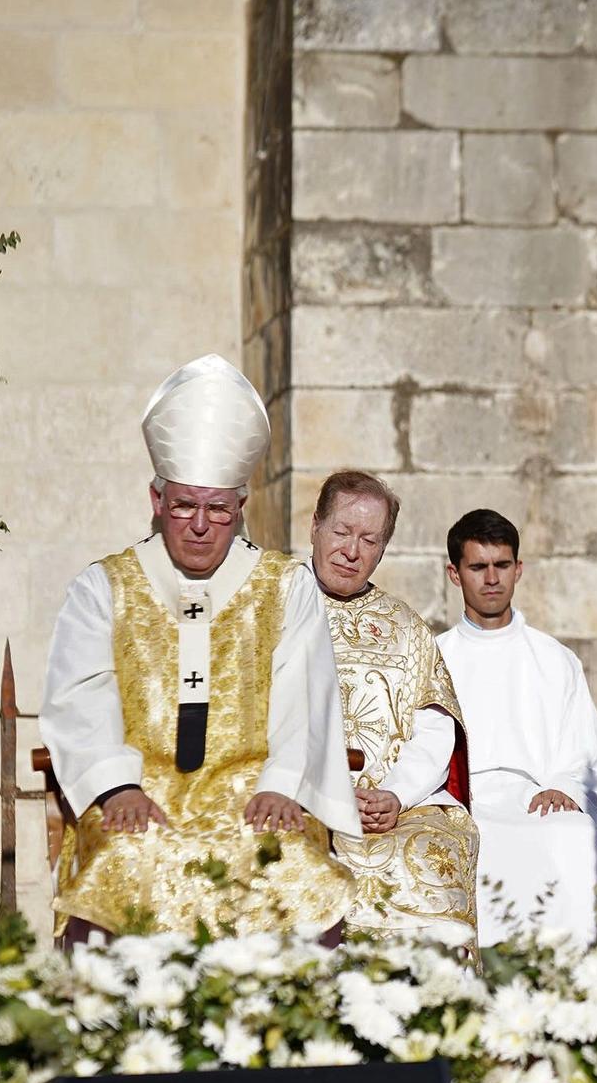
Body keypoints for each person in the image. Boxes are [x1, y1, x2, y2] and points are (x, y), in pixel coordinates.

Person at [40, 355, 359, 941]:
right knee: (126, 857)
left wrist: (282, 785)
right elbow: (78, 695)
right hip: (138, 789)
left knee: (284, 859)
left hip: (256, 788)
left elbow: (304, 697)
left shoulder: (286, 586)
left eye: (218, 509)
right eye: (185, 505)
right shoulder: (104, 586)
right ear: (156, 499)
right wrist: (116, 785)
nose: (200, 526)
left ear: (240, 508)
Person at [308, 470, 478, 947]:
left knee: (434, 857)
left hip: (388, 809)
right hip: (296, 799)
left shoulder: (405, 626)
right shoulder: (276, 605)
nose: (351, 550)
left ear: (383, 549)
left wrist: (396, 796)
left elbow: (435, 730)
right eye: (341, 532)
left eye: (369, 539)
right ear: (315, 527)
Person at [437, 508, 597, 944]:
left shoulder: (554, 659)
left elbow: (588, 756)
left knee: (572, 834)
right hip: (463, 801)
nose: (491, 579)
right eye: (478, 567)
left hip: (538, 799)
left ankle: (565, 975)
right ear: (454, 573)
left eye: (502, 565)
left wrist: (565, 787)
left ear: (519, 569)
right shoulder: (434, 658)